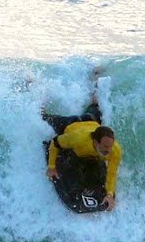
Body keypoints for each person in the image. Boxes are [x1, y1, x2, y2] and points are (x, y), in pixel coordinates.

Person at [43, 72, 123, 211]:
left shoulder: (115, 150)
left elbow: (111, 173)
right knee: (42, 117)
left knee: (95, 103)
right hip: (69, 125)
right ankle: (33, 87)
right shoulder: (78, 139)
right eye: (105, 146)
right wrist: (51, 167)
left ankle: (96, 75)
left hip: (91, 120)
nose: (108, 150)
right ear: (95, 142)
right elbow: (55, 143)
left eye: (110, 146)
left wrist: (109, 194)